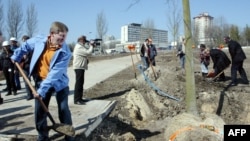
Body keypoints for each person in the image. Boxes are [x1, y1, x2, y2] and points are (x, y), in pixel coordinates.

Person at [11, 21, 74, 141]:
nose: (63, 39)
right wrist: (16, 56)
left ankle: (69, 136)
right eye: (61, 36)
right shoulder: (39, 40)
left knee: (63, 109)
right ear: (52, 34)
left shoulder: (65, 51)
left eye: (65, 36)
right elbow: (25, 46)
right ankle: (43, 137)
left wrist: (41, 91)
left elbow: (54, 75)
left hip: (59, 84)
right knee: (40, 111)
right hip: (40, 80)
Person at [73, 35, 95, 105]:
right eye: (84, 40)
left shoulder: (81, 46)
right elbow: (88, 52)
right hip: (78, 67)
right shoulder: (79, 47)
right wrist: (91, 45)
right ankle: (77, 100)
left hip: (81, 67)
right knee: (78, 84)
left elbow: (86, 52)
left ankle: (80, 98)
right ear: (81, 40)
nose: (85, 42)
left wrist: (90, 45)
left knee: (81, 83)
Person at [21, 35, 34, 100]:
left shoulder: (33, 48)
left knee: (37, 80)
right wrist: (22, 58)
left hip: (33, 66)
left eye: (26, 40)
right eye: (23, 41)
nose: (24, 42)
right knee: (26, 81)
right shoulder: (22, 49)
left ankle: (39, 93)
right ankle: (29, 95)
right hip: (25, 67)